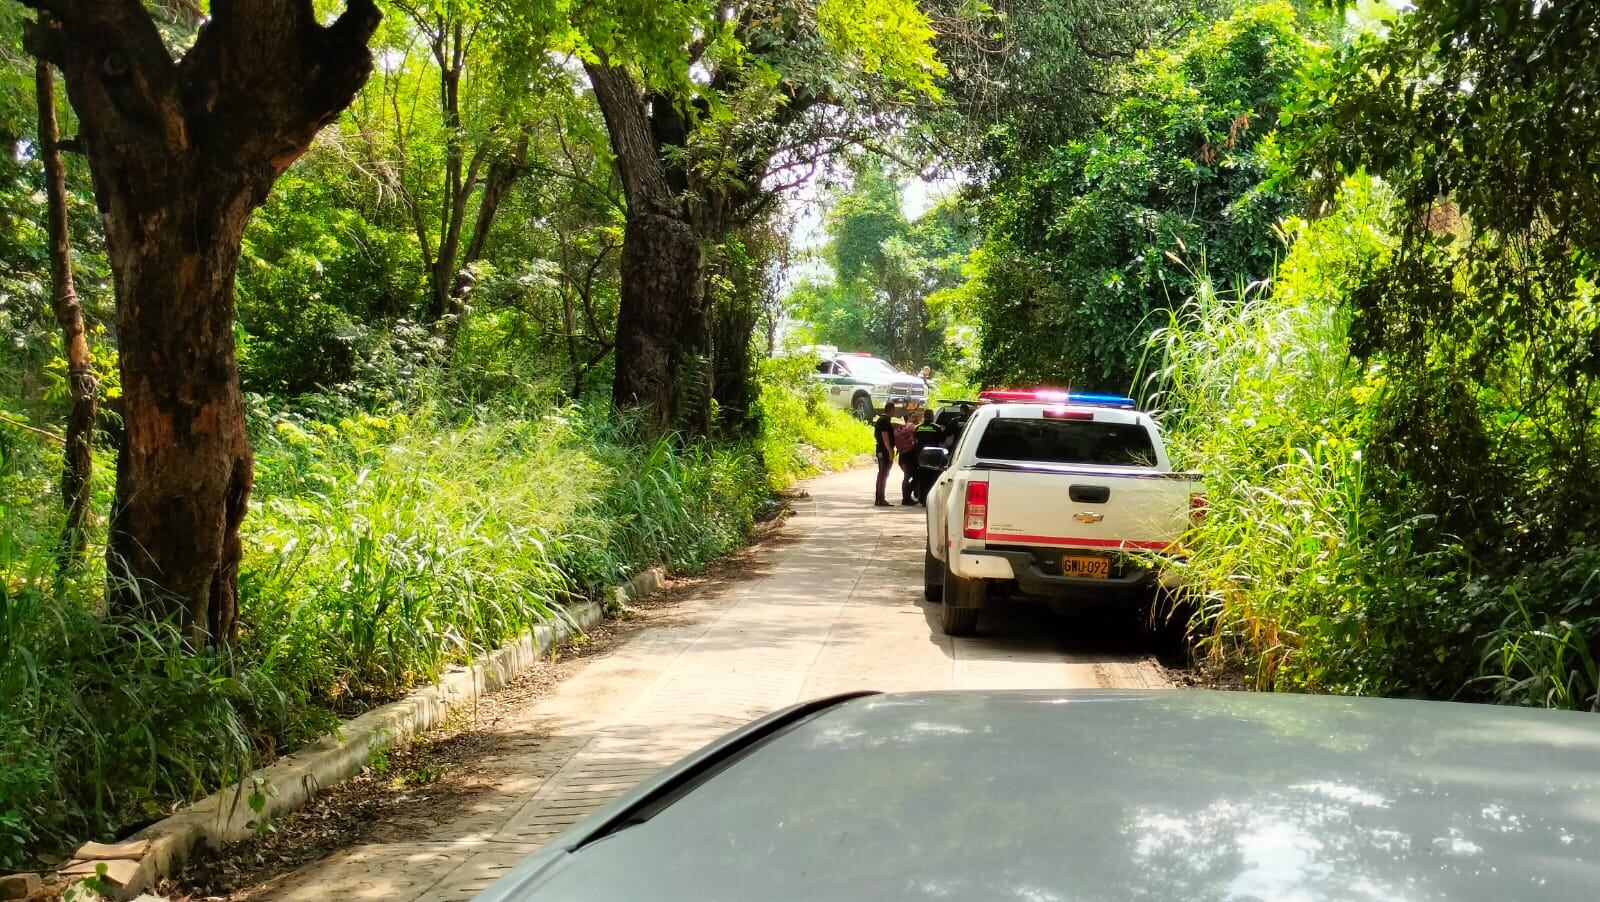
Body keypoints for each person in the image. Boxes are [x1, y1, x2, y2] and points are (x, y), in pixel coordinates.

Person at [913, 409, 942, 504]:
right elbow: (942, 439)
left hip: (921, 455)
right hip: (933, 456)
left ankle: (922, 499)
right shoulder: (936, 427)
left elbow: (915, 440)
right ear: (932, 416)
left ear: (924, 416)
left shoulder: (918, 427)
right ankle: (931, 500)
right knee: (932, 478)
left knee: (922, 478)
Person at [873, 401, 897, 507]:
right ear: (891, 410)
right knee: (883, 474)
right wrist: (890, 451)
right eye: (894, 410)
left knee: (883, 474)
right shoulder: (884, 421)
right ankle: (880, 498)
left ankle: (880, 498)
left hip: (883, 450)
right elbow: (885, 437)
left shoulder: (885, 420)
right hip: (883, 450)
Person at [895, 413, 920, 505]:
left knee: (909, 476)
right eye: (913, 416)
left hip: (905, 455)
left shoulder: (906, 427)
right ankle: (906, 497)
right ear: (908, 418)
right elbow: (917, 429)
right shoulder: (910, 425)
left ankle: (907, 497)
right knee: (912, 476)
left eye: (916, 417)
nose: (915, 418)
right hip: (908, 456)